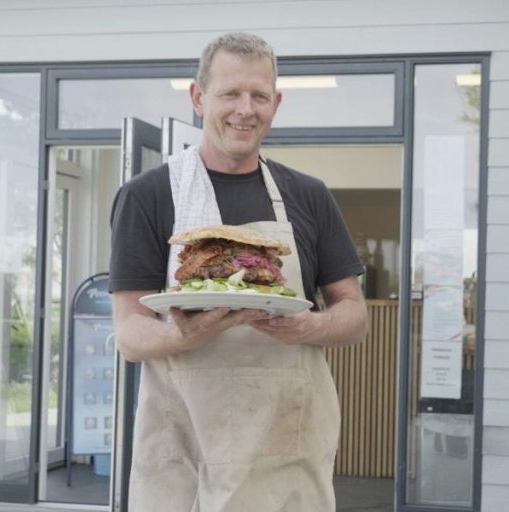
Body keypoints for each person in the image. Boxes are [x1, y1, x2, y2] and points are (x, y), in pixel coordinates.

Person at [108, 32, 367, 511]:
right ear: (198, 96)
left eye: (259, 95)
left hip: (285, 457)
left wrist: (311, 325)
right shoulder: (148, 196)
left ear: (276, 102)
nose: (245, 109)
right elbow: (130, 336)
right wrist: (185, 334)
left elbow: (354, 317)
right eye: (230, 93)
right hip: (186, 456)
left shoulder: (309, 196)